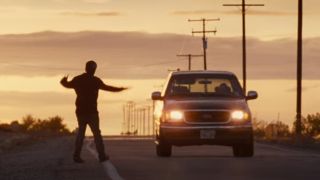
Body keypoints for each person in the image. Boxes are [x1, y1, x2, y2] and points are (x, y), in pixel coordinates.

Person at [60, 60, 128, 163]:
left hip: (81, 111)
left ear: (85, 68)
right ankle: (101, 156)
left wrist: (63, 80)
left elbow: (66, 85)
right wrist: (120, 89)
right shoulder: (95, 81)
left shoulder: (78, 79)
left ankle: (76, 156)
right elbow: (108, 88)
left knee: (81, 134)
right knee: (96, 134)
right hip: (92, 112)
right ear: (94, 70)